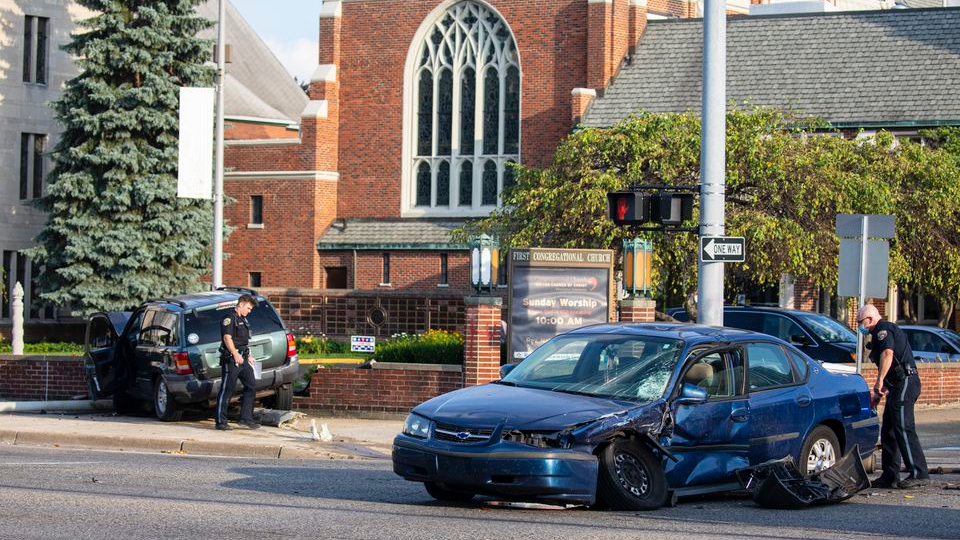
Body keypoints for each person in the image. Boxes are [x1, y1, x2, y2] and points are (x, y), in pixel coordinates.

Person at [857, 304, 928, 489]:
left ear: (870, 319)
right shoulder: (877, 334)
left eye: (860, 322)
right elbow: (889, 368)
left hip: (906, 381)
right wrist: (878, 394)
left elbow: (888, 355)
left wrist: (879, 382)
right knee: (889, 429)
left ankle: (919, 473)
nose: (859, 327)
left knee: (903, 427)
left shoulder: (884, 329)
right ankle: (890, 476)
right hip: (896, 384)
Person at [215, 295, 260, 430]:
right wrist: (234, 353)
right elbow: (227, 337)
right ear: (241, 304)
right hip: (232, 360)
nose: (249, 311)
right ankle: (220, 421)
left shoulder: (243, 319)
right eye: (248, 308)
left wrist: (249, 355)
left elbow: (243, 341)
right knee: (227, 390)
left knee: (251, 386)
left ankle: (246, 418)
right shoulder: (229, 318)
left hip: (243, 359)